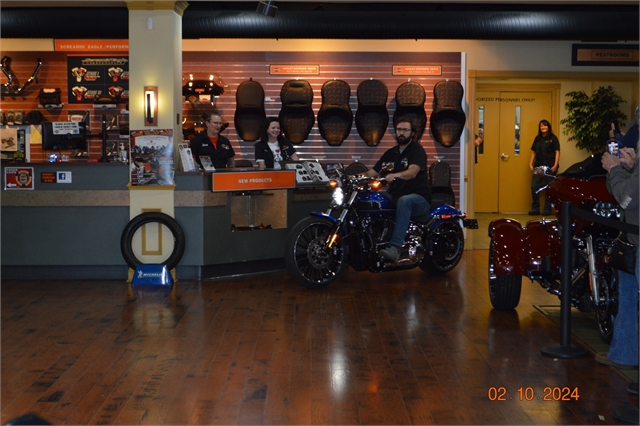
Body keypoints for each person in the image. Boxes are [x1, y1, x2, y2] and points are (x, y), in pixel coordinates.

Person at [362, 117, 432, 263]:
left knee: (404, 201)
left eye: (405, 130)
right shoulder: (391, 153)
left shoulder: (416, 150)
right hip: (395, 196)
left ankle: (395, 248)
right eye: (399, 129)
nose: (401, 132)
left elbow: (412, 172)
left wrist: (396, 175)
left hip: (419, 198)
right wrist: (350, 177)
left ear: (412, 133)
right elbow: (372, 173)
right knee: (372, 198)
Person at [597, 144, 639, 370]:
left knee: (630, 296)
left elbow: (626, 199)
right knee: (627, 296)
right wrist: (634, 165)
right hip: (633, 240)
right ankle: (623, 353)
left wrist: (614, 170)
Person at [529, 119, 560, 215]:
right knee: (534, 186)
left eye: (545, 125)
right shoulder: (537, 138)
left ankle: (547, 210)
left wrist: (555, 164)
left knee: (548, 188)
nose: (543, 127)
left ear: (548, 127)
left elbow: (557, 152)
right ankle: (535, 209)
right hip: (538, 167)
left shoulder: (553, 138)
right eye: (541, 126)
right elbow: (534, 152)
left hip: (550, 167)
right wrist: (530, 164)